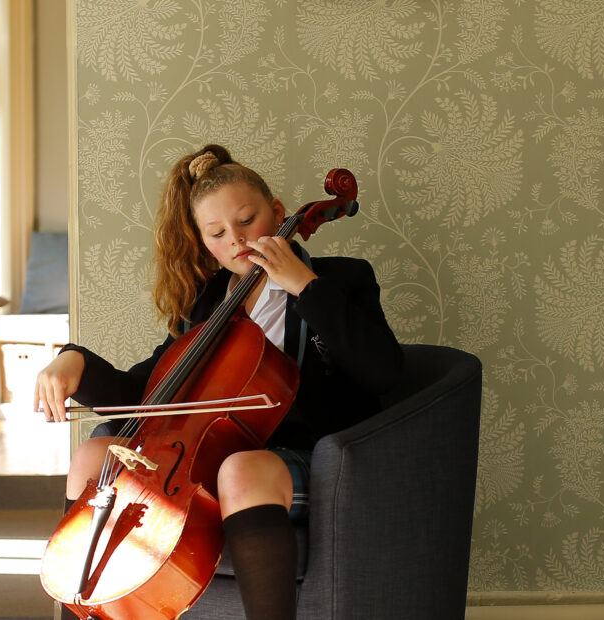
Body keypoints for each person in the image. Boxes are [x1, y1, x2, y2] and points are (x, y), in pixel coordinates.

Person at [35, 144, 402, 620]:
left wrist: (305, 287)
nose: (237, 240)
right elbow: (146, 396)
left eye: (248, 221)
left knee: (239, 471)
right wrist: (73, 361)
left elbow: (384, 372)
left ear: (277, 212)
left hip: (295, 456)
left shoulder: (340, 279)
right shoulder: (207, 302)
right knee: (92, 454)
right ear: (204, 241)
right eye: (217, 233)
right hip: (198, 458)